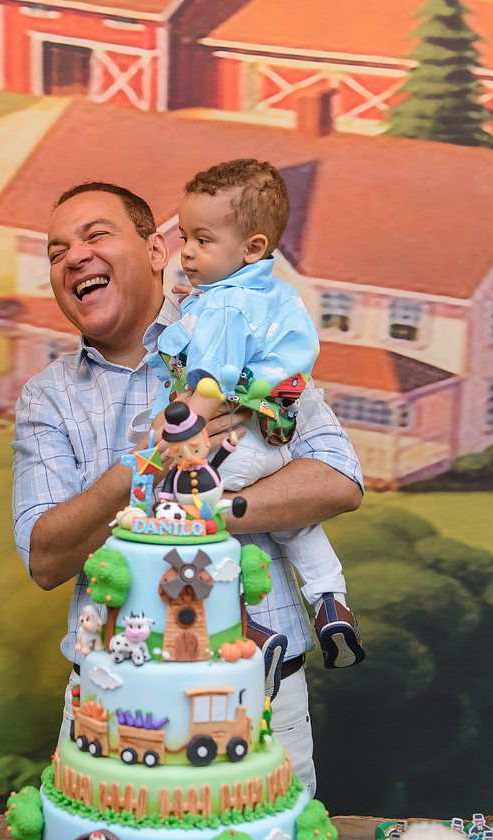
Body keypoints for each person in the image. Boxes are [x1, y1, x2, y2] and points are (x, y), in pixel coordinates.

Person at [11, 182, 363, 793]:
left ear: (156, 250)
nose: (74, 257)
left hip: (261, 693)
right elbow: (45, 557)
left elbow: (338, 478)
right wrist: (148, 464)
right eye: (56, 251)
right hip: (115, 698)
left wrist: (205, 509)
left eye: (96, 236)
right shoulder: (48, 396)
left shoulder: (241, 328)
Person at [150, 158, 363, 668]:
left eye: (203, 240)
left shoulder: (225, 307)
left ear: (252, 248)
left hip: (236, 445)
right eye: (185, 237)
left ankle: (245, 627)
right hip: (272, 439)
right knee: (297, 526)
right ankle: (329, 599)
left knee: (181, 513)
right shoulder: (269, 293)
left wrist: (181, 427)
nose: (187, 251)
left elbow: (214, 379)